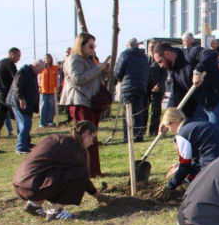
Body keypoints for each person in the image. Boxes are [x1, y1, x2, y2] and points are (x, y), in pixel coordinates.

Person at [12, 120, 108, 221]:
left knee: (56, 173)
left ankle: (34, 204)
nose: (93, 142)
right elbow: (82, 178)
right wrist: (98, 196)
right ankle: (55, 211)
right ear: (86, 134)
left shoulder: (56, 138)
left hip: (19, 186)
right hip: (33, 189)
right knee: (81, 173)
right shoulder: (76, 148)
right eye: (93, 137)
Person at [152, 41, 219, 135]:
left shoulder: (189, 53)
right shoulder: (174, 71)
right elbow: (175, 96)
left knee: (216, 136)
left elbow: (211, 54)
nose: (160, 65)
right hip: (204, 105)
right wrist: (165, 120)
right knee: (195, 133)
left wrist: (198, 71)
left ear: (167, 53)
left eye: (160, 61)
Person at [61, 33, 111, 177]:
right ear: (80, 45)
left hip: (89, 103)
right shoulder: (73, 59)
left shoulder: (87, 59)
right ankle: (87, 171)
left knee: (92, 137)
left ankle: (93, 170)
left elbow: (91, 77)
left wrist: (102, 70)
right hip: (80, 103)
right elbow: (77, 79)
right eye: (90, 46)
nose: (93, 49)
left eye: (94, 46)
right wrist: (98, 69)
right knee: (86, 138)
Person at [157, 107, 219, 192]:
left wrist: (171, 185)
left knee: (188, 177)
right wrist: (179, 164)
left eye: (168, 127)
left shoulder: (182, 135)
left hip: (214, 165)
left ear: (174, 123)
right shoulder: (195, 122)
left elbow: (185, 167)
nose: (170, 130)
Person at [114, 37, 150, 142]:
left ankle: (128, 136)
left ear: (127, 45)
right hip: (141, 87)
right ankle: (139, 136)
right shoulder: (144, 57)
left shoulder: (125, 54)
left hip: (128, 87)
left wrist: (119, 78)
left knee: (127, 113)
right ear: (137, 45)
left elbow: (118, 71)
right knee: (138, 113)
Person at [7, 59, 45, 154]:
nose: (41, 71)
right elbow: (17, 86)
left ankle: (26, 143)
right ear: (35, 65)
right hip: (18, 102)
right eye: (41, 69)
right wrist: (21, 98)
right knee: (25, 123)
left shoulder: (32, 73)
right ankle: (20, 146)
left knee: (24, 123)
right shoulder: (23, 72)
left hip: (27, 103)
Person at [0, 47, 21, 155]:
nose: (19, 58)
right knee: (19, 117)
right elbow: (17, 78)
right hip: (7, 95)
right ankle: (23, 144)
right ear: (12, 53)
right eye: (18, 56)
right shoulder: (10, 64)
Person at [145, 42, 167, 138]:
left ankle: (153, 131)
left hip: (157, 89)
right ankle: (142, 130)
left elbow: (164, 74)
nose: (151, 48)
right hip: (146, 89)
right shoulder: (144, 59)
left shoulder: (160, 60)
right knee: (144, 110)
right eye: (150, 47)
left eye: (153, 47)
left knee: (155, 110)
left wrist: (159, 84)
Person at [38, 54, 60, 128]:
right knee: (43, 106)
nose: (47, 59)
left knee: (51, 106)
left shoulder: (55, 68)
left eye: (48, 58)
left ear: (51, 59)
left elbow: (57, 78)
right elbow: (39, 78)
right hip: (43, 90)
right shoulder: (41, 68)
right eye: (45, 58)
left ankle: (50, 121)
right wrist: (39, 87)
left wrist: (57, 86)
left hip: (52, 90)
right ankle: (42, 122)